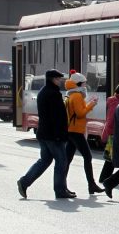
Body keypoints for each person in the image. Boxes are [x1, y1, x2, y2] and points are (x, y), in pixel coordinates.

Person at [17, 69, 75, 199]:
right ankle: (60, 190)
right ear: (53, 79)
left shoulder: (44, 91)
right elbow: (56, 117)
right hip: (53, 135)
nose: (60, 81)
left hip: (44, 133)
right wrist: (60, 135)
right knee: (61, 161)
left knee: (45, 160)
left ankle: (24, 182)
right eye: (58, 79)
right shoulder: (53, 94)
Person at [64, 72, 103, 194]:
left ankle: (61, 184)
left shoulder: (73, 95)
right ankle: (91, 185)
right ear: (79, 84)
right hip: (76, 131)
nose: (86, 85)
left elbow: (78, 111)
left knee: (67, 159)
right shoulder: (77, 96)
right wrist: (91, 104)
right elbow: (80, 113)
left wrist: (89, 104)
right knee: (87, 156)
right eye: (84, 83)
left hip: (71, 130)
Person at [98, 85, 119, 183]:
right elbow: (111, 120)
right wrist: (111, 134)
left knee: (111, 158)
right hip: (114, 134)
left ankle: (104, 178)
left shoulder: (116, 101)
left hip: (113, 134)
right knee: (115, 158)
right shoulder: (116, 103)